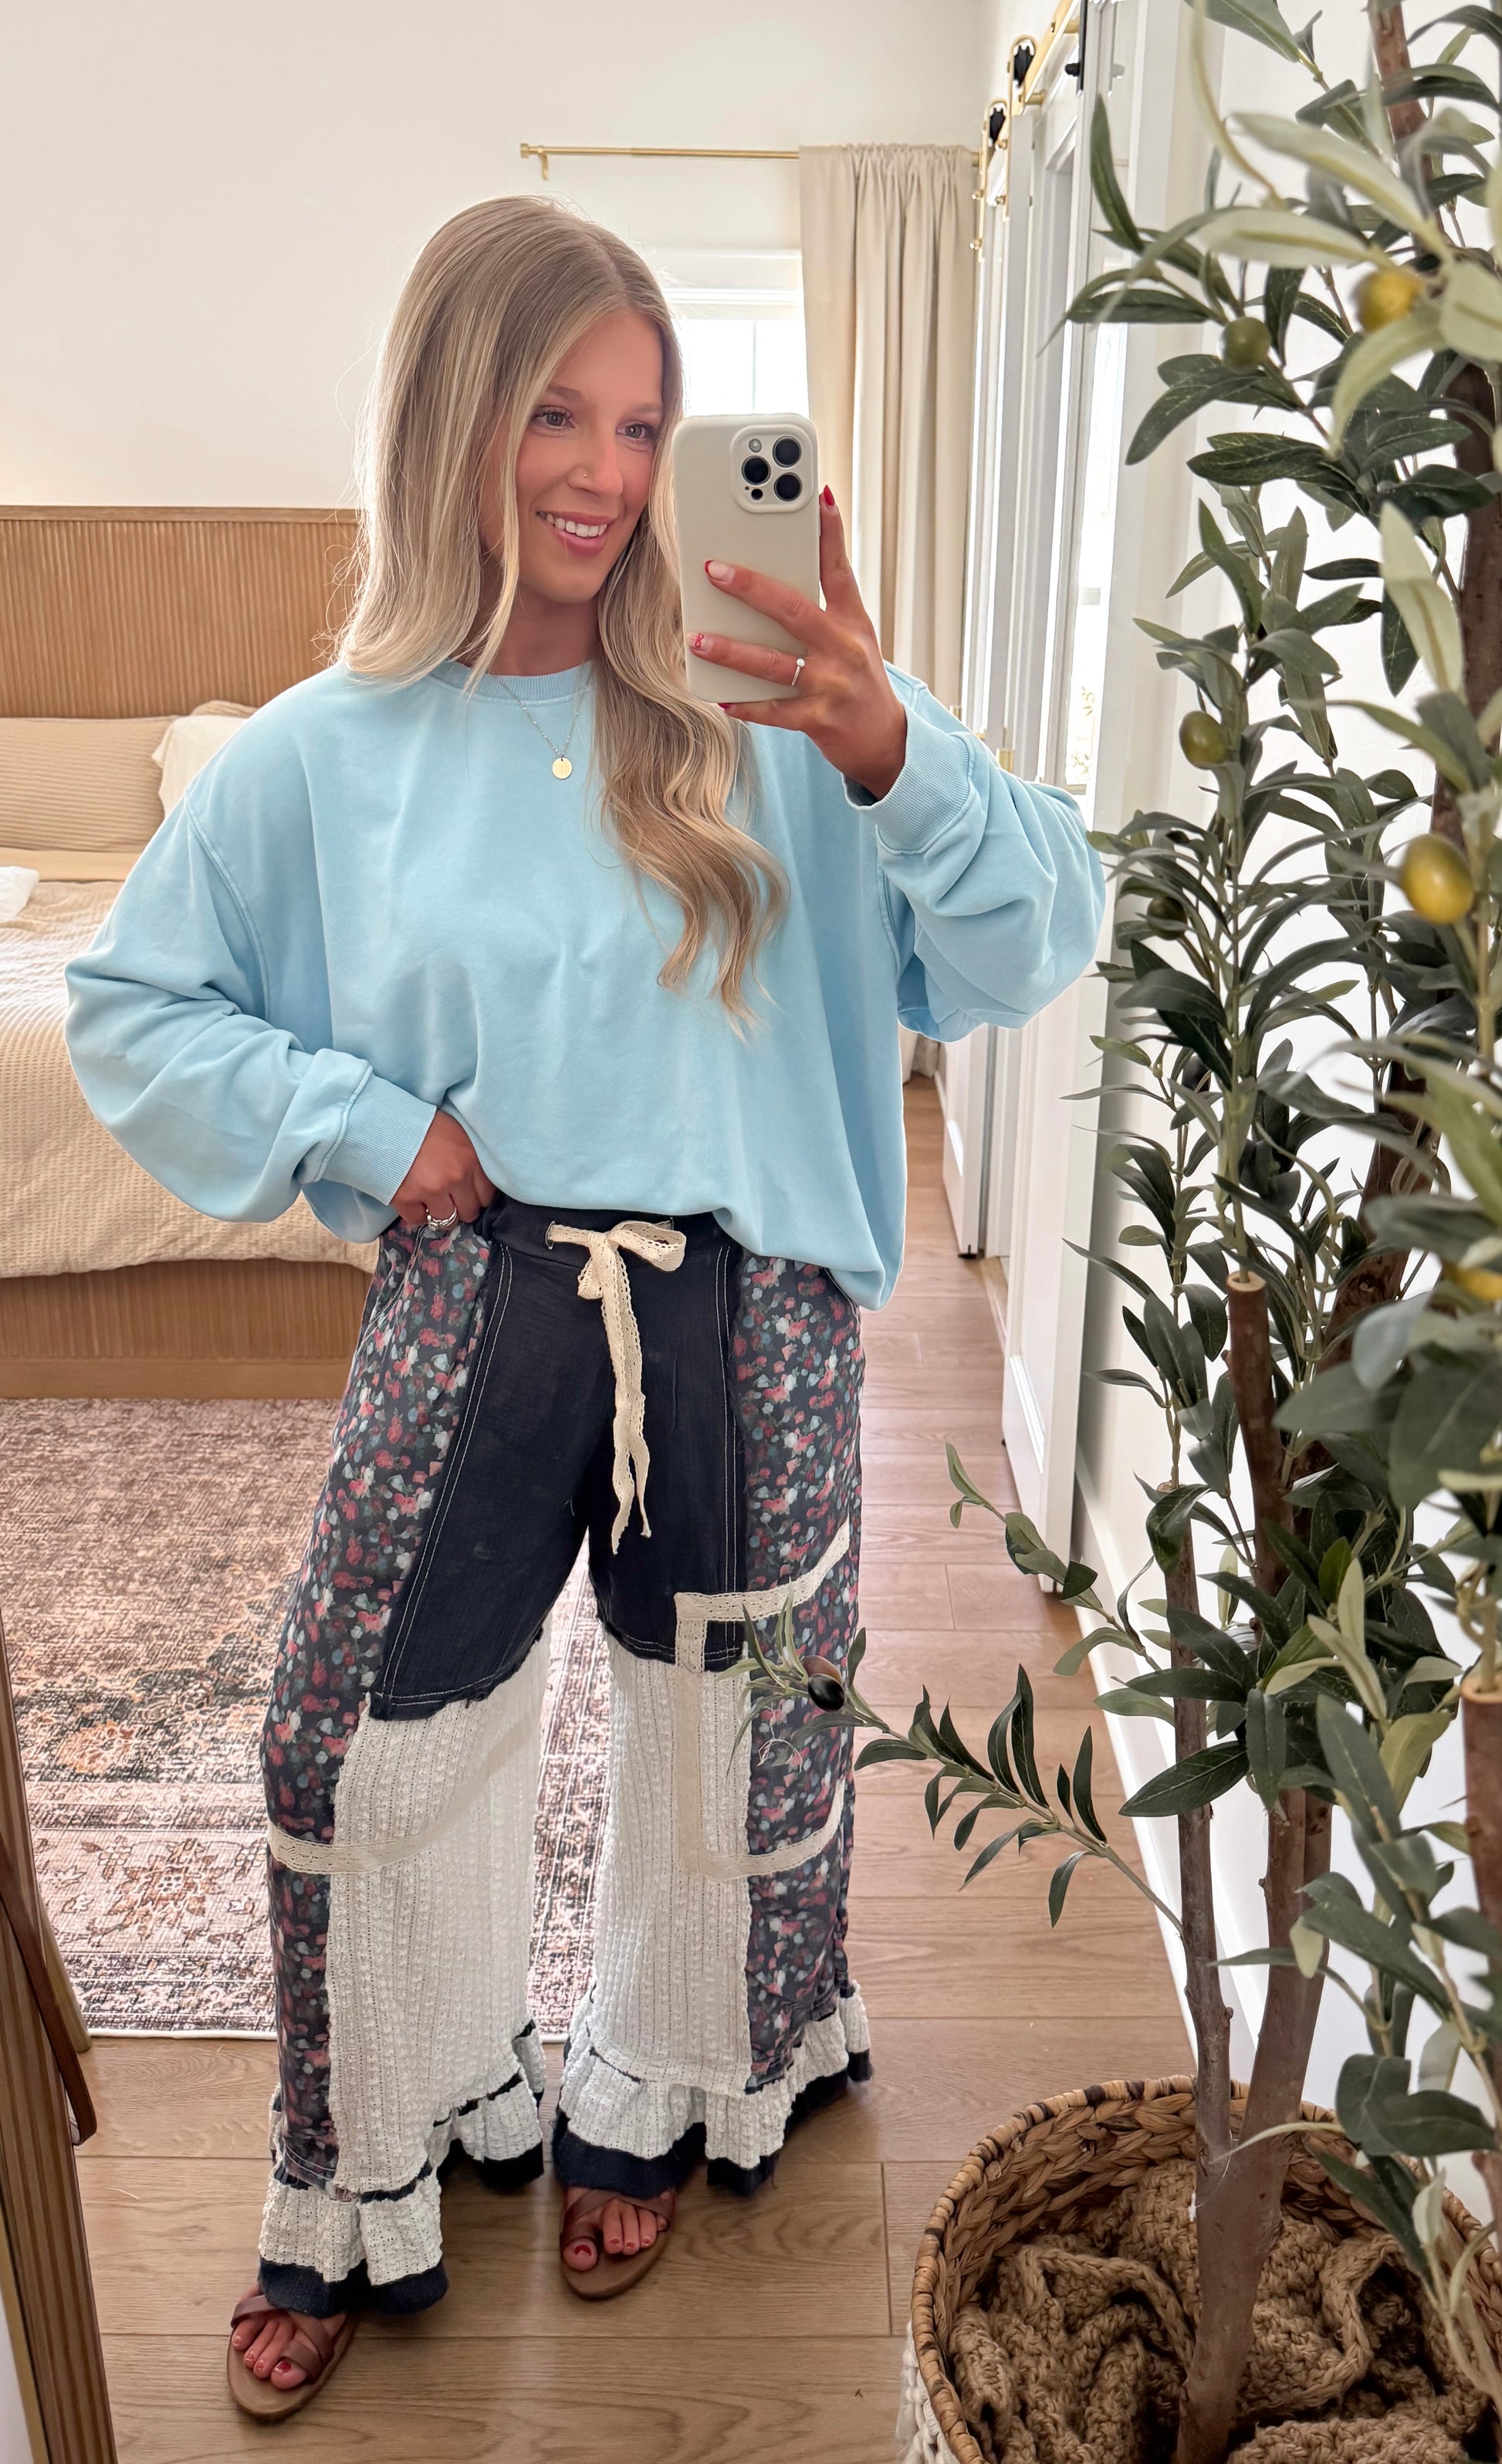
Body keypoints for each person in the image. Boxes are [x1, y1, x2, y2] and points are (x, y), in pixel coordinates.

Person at [64, 191, 1105, 2419]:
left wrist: (887, 742)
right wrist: (370, 1128)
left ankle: (668, 2082)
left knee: (730, 1721)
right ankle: (377, 2149)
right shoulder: (320, 751)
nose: (607, 475)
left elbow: (1035, 937)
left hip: (754, 1301)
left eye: (644, 424)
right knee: (353, 1722)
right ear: (448, 413)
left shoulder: (775, 707)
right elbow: (133, 1005)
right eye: (556, 412)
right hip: (475, 1283)